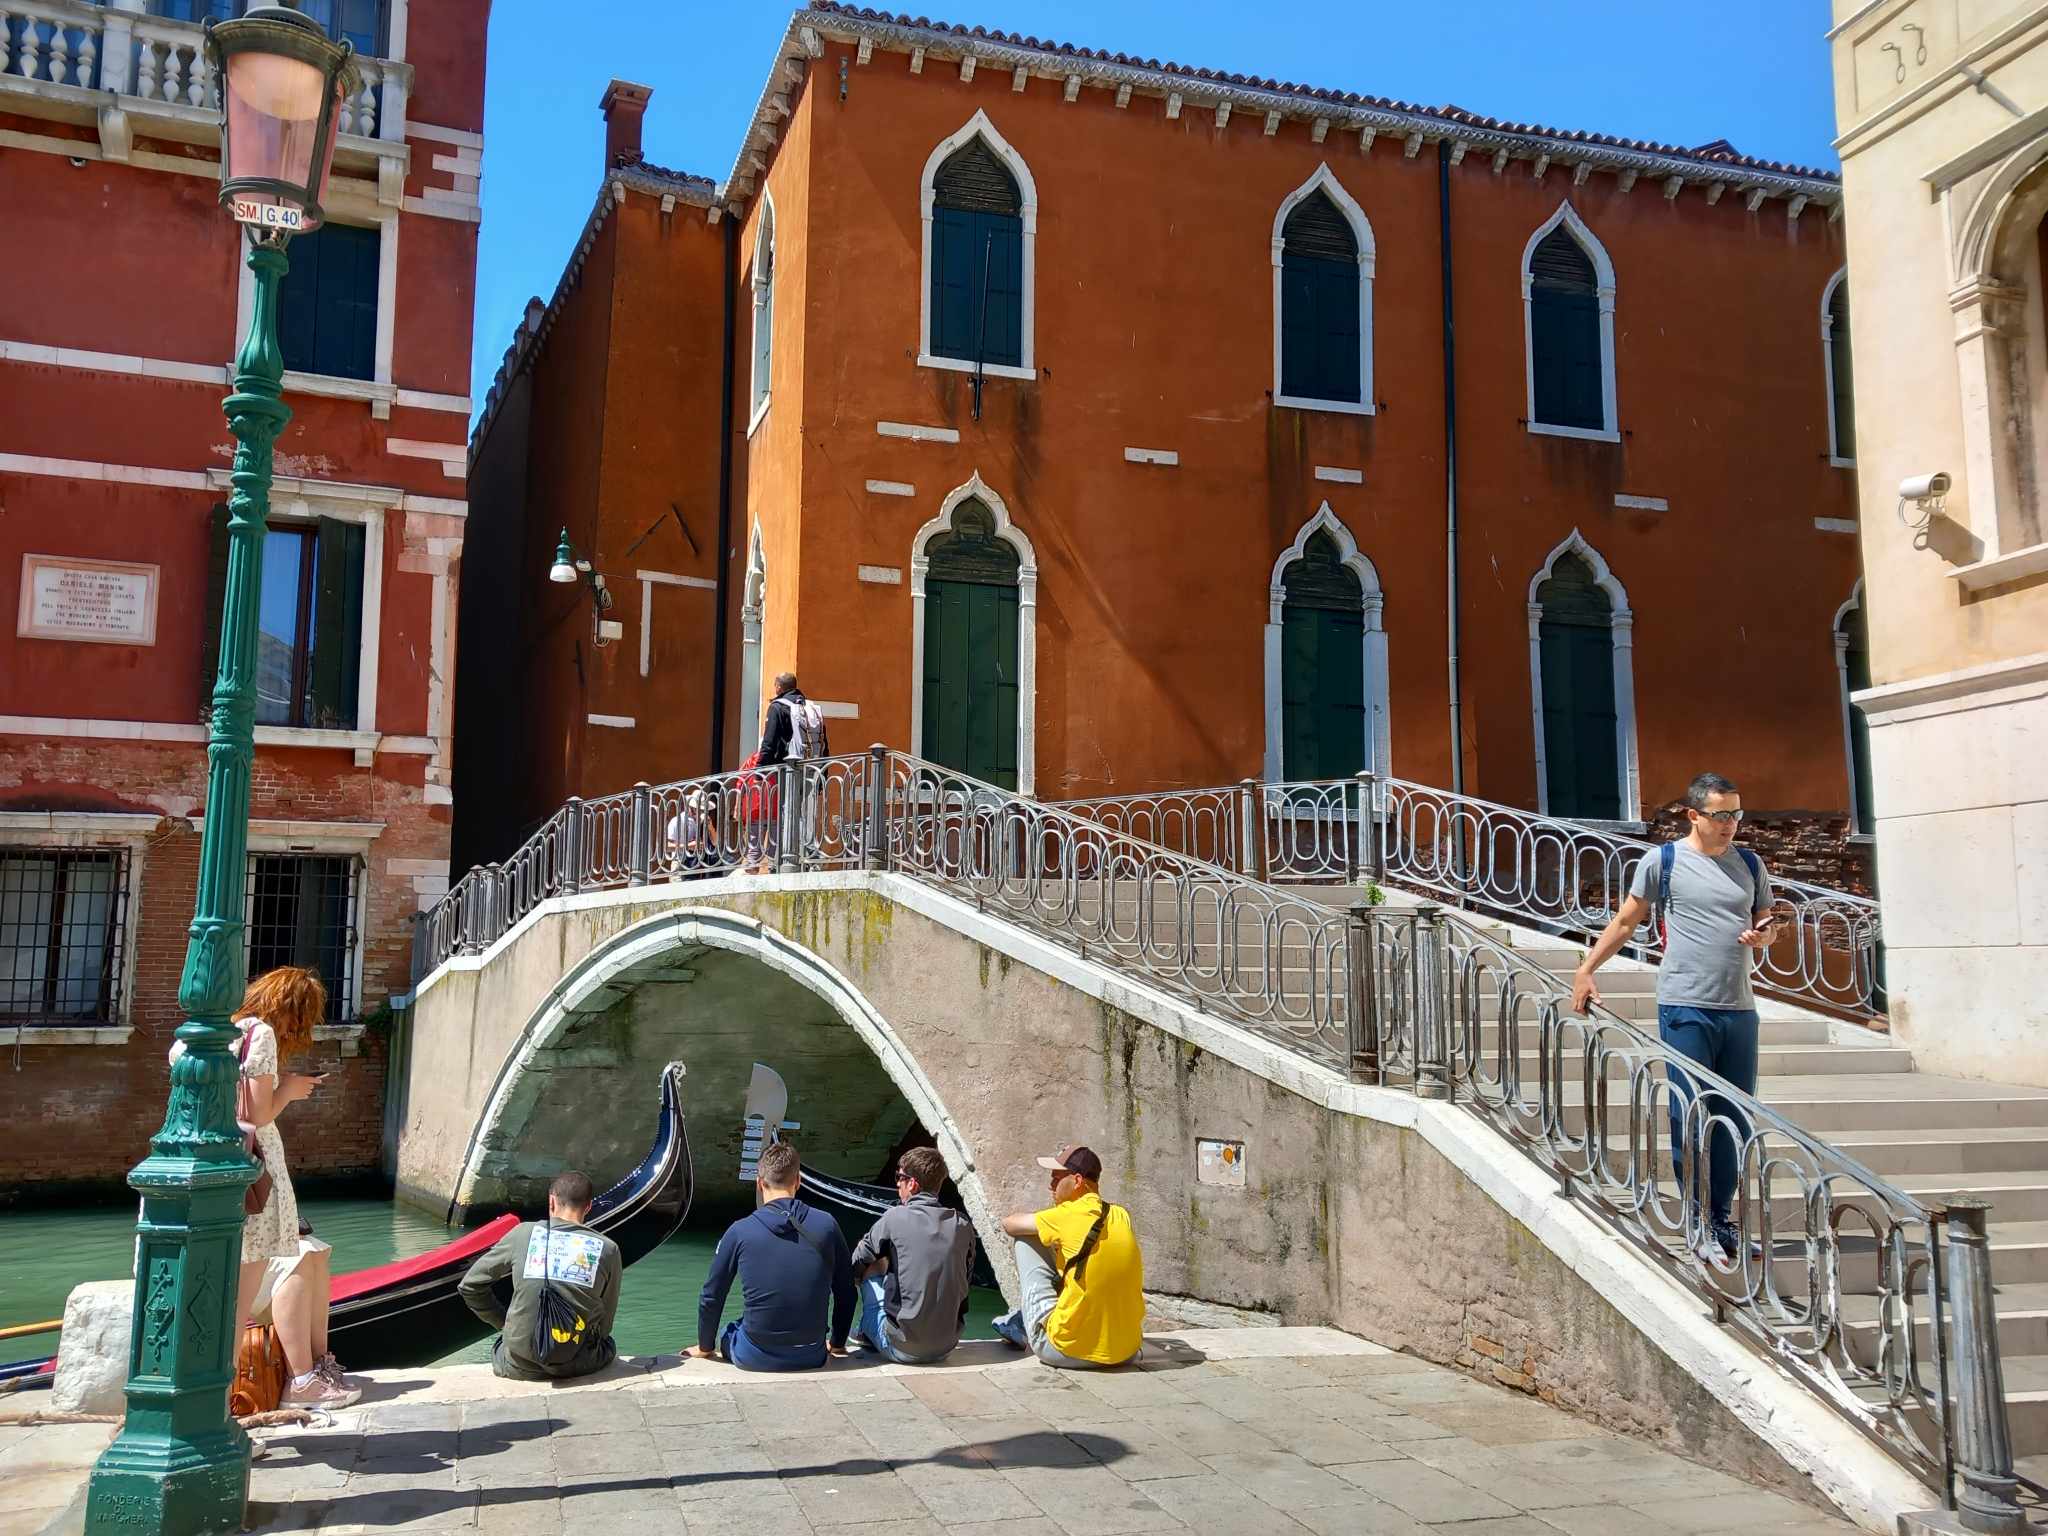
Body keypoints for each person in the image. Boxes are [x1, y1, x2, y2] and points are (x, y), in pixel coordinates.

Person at [1571, 771, 1789, 1268]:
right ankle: (1695, 1220)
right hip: (1685, 1005)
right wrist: (1586, 969)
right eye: (1720, 815)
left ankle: (1720, 1218)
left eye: (1736, 813)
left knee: (1734, 1118)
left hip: (1740, 1008)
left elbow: (1766, 920)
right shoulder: (1664, 861)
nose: (1730, 823)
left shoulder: (1750, 864)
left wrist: (1765, 936)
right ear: (1694, 815)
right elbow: (1626, 920)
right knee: (1690, 1112)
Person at [185, 966, 359, 1408]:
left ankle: (215, 1404)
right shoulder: (260, 1034)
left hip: (210, 1171)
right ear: (292, 1011)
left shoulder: (215, 1035)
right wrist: (291, 1089)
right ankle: (223, 1410)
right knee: (235, 1307)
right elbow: (258, 1114)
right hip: (254, 1179)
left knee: (219, 1304)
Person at [688, 1140, 854, 1370]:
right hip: (812, 1354)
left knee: (730, 1329)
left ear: (759, 1183)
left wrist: (705, 1347)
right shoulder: (827, 1224)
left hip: (754, 1357)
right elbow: (846, 1291)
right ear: (798, 1181)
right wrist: (837, 1344)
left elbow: (712, 1296)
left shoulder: (739, 1230)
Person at [457, 1170, 623, 1381]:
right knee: (608, 1344)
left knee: (505, 1343)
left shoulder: (522, 1233)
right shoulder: (608, 1249)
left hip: (518, 1364)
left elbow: (469, 1286)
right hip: (577, 1363)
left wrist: (503, 1323)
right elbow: (605, 1324)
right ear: (588, 1206)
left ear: (551, 1201)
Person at [990, 1145, 1144, 1370]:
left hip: (1066, 1351)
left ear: (1077, 1181)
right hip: (1126, 1352)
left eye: (1056, 1178)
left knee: (1025, 1238)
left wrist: (1045, 1225)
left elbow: (1009, 1224)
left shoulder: (1065, 1215)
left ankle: (1025, 1324)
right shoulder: (1120, 1215)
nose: (1050, 1185)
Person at [848, 1146, 976, 1364]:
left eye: (900, 1177)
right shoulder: (962, 1224)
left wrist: (857, 1279)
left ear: (912, 1184)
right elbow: (966, 1280)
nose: (897, 1183)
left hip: (902, 1347)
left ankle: (867, 1328)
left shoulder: (894, 1218)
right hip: (947, 1347)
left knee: (875, 1262)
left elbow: (857, 1260)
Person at [746, 673, 828, 873]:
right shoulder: (811, 707)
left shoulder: (778, 707)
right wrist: (823, 776)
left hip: (789, 770)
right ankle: (803, 858)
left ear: (778, 687)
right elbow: (825, 744)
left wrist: (759, 773)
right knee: (806, 814)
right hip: (813, 767)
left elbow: (769, 742)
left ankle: (798, 857)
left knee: (789, 813)